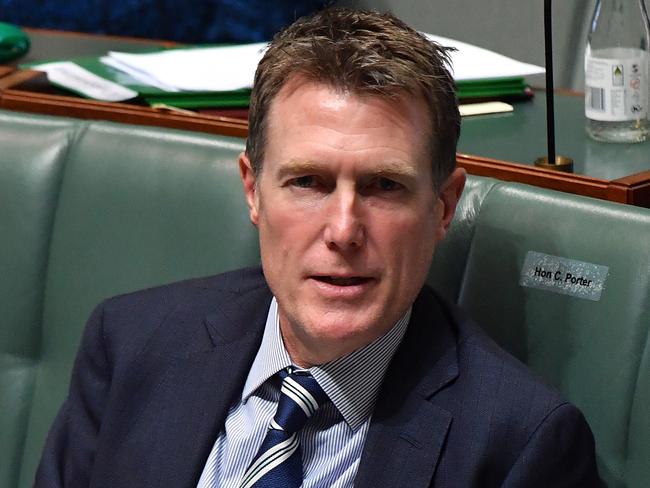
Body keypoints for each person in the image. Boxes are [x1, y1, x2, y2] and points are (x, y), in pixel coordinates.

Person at [35, 7, 602, 488]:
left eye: (385, 186)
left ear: (443, 207)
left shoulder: (520, 445)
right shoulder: (130, 344)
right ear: (253, 190)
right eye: (307, 182)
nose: (343, 229)